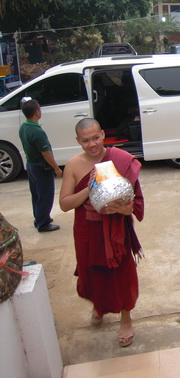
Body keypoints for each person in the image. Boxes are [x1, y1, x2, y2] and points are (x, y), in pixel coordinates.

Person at [59, 118, 144, 348]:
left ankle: (126, 320)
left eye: (96, 138)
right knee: (93, 273)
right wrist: (89, 190)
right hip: (87, 228)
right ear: (78, 141)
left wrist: (126, 209)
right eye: (85, 140)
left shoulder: (120, 160)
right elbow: (65, 204)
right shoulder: (74, 165)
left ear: (103, 134)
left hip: (116, 227)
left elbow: (134, 202)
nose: (92, 144)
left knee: (122, 274)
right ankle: (100, 306)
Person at [18, 99, 62, 232]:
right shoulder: (37, 132)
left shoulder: (24, 127)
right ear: (37, 112)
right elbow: (46, 153)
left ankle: (39, 218)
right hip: (41, 167)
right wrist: (56, 168)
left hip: (31, 165)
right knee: (45, 195)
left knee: (36, 194)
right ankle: (43, 223)